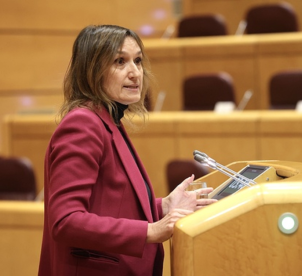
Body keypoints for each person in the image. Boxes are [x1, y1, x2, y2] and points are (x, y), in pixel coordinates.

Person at [38, 25, 216, 276]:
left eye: (138, 61)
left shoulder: (108, 121)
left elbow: (109, 206)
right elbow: (66, 221)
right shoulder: (84, 124)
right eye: (120, 62)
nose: (135, 73)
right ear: (92, 70)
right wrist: (152, 231)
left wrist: (162, 207)